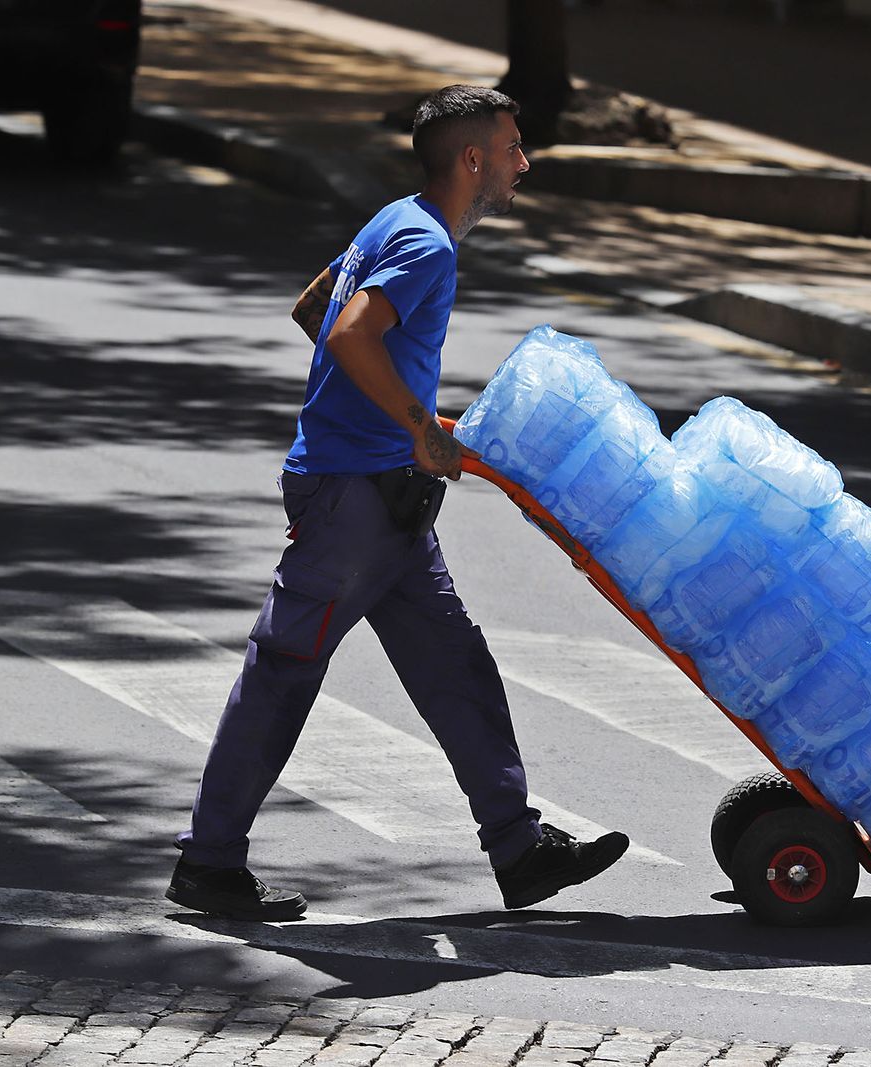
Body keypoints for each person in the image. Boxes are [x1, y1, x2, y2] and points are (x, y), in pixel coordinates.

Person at [167, 85, 628, 921]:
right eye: (514, 148)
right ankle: (208, 860)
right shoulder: (427, 245)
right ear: (473, 159)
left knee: (456, 666)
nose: (524, 164)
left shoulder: (397, 220)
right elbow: (347, 331)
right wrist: (417, 426)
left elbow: (316, 307)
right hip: (352, 500)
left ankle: (518, 847)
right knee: (282, 671)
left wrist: (406, 417)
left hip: (388, 502)